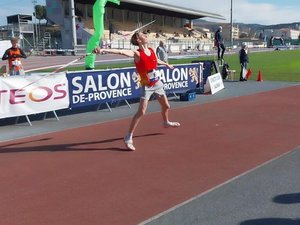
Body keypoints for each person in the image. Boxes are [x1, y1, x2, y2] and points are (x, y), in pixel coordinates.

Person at [94, 31, 180, 151]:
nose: (146, 35)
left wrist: (166, 64)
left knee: (166, 106)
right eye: (143, 35)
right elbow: (121, 52)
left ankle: (165, 122)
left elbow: (156, 60)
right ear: (138, 40)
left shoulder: (151, 49)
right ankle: (128, 137)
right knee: (142, 112)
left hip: (157, 83)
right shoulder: (137, 54)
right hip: (146, 84)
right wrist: (103, 50)